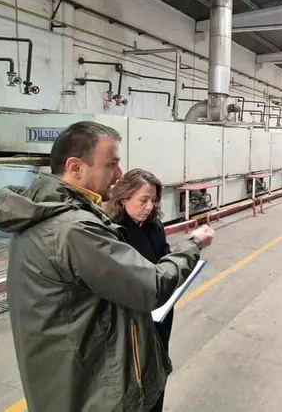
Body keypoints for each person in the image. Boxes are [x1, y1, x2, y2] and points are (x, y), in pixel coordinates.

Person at [0, 121, 214, 412]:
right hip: (94, 393)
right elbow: (151, 286)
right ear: (76, 167)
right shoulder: (73, 230)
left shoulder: (54, 214)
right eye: (111, 165)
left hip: (74, 378)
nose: (119, 175)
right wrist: (193, 244)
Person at [104, 169, 174, 412]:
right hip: (134, 318)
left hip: (161, 310)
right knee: (139, 375)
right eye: (143, 200)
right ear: (123, 197)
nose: (149, 207)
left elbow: (164, 257)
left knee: (160, 366)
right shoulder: (113, 232)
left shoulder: (154, 225)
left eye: (153, 200)